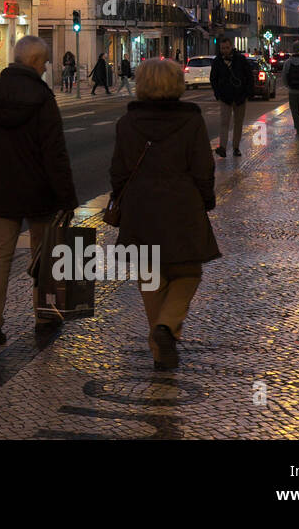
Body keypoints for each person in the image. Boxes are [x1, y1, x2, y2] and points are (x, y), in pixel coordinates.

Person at [109, 58, 220, 370]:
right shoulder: (191, 120)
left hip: (139, 208)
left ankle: (161, 350)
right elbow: (202, 166)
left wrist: (120, 199)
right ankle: (166, 328)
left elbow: (118, 170)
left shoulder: (126, 123)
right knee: (188, 272)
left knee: (151, 275)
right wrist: (206, 198)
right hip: (181, 205)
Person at [0, 36, 78, 344]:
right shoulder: (43, 98)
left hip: (2, 188)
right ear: (33, 62)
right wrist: (67, 197)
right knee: (44, 252)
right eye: (44, 62)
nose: (45, 68)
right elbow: (55, 153)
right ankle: (45, 316)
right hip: (40, 190)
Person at [208, 40, 249, 157]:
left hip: (240, 96)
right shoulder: (217, 61)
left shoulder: (240, 59)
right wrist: (218, 94)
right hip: (225, 97)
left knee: (238, 123)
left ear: (231, 47)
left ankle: (236, 147)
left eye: (226, 48)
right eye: (222, 48)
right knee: (224, 122)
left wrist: (246, 93)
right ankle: (223, 147)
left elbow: (248, 76)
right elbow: (213, 79)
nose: (224, 50)